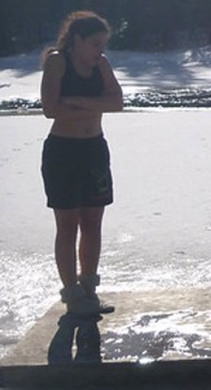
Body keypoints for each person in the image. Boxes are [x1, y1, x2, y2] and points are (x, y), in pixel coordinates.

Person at [40, 11, 123, 315]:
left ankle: (89, 289)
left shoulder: (101, 65)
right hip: (63, 152)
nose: (101, 50)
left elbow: (117, 103)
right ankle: (72, 296)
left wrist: (77, 102)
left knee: (92, 223)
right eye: (95, 43)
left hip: (94, 151)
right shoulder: (57, 61)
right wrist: (93, 108)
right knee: (67, 224)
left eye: (103, 44)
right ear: (77, 40)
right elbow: (51, 109)